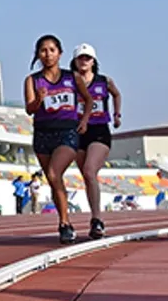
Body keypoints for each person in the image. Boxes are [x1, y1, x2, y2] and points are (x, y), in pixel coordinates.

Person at [24, 35, 93, 244]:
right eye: (43, 51)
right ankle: (66, 221)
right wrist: (39, 99)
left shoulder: (72, 77)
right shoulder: (32, 80)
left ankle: (64, 223)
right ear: (38, 54)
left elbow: (88, 100)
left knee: (55, 173)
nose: (48, 54)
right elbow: (29, 109)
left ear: (60, 53)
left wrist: (85, 120)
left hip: (67, 132)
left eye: (52, 50)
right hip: (43, 134)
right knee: (54, 182)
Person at [70, 43, 122, 240]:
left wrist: (117, 114)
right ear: (75, 61)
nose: (84, 61)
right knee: (87, 177)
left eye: (87, 58)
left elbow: (117, 94)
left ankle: (97, 219)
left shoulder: (104, 81)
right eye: (80, 58)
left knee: (90, 170)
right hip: (77, 131)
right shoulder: (70, 82)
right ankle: (94, 218)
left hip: (99, 130)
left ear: (93, 61)